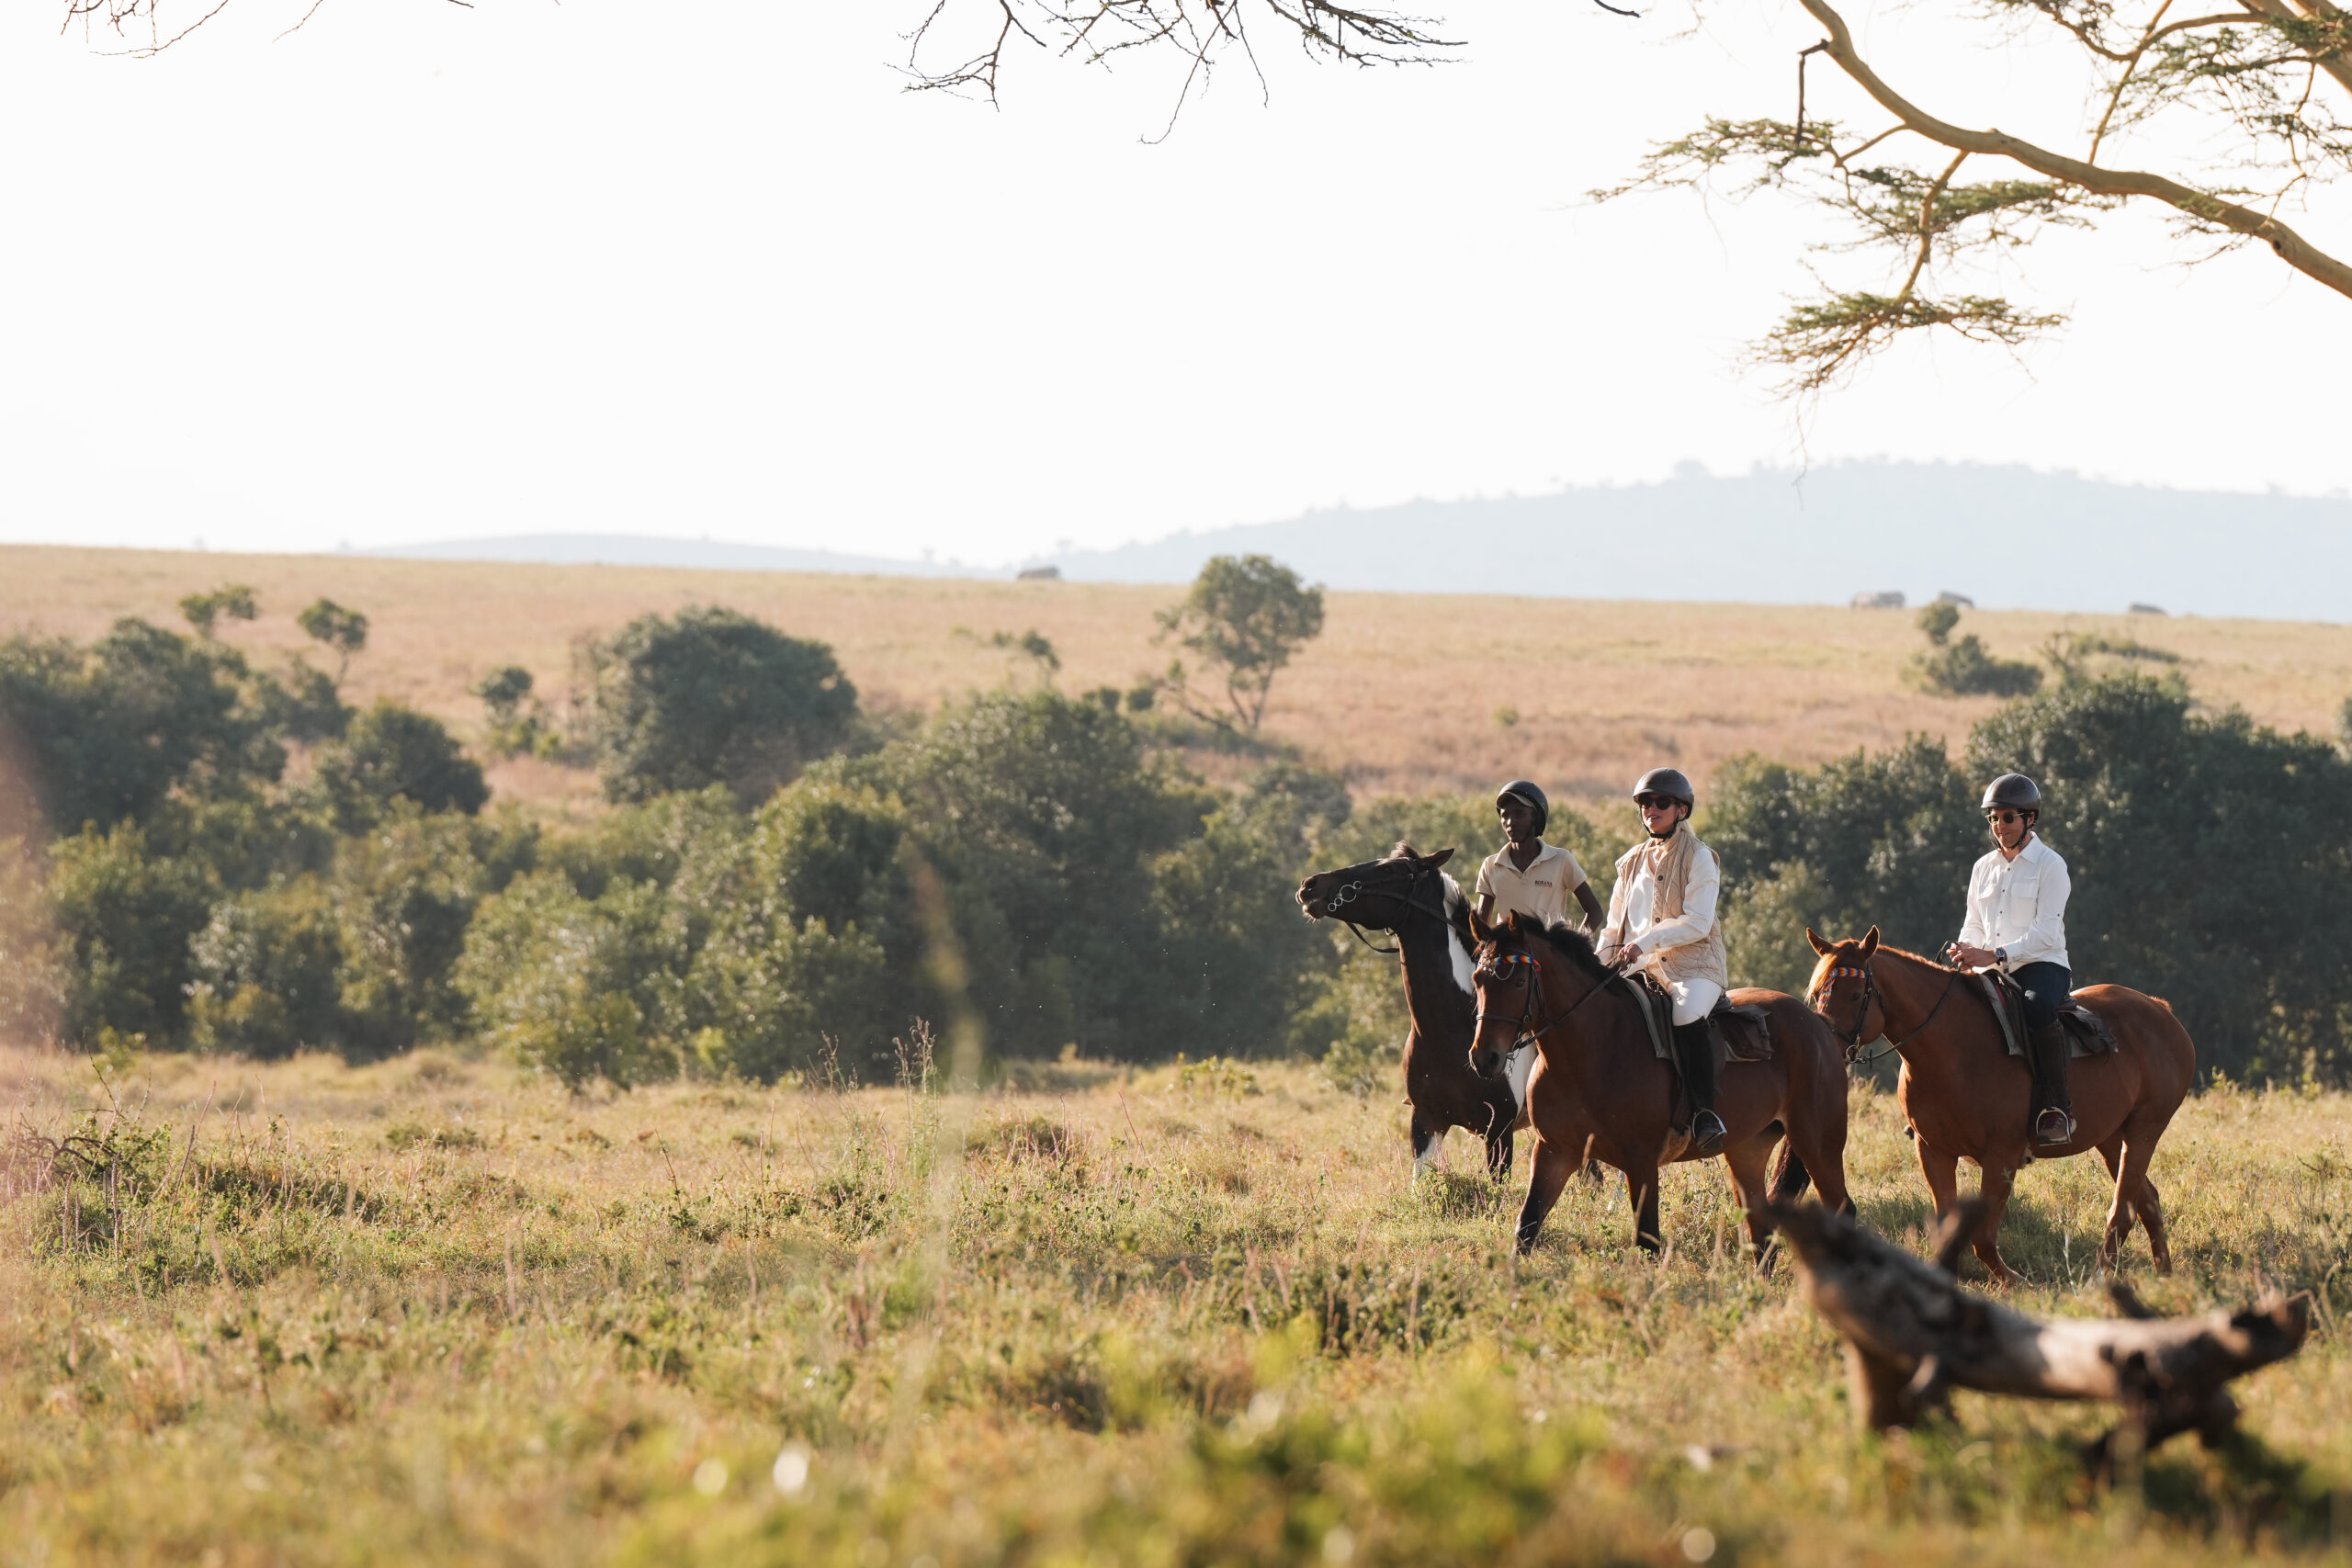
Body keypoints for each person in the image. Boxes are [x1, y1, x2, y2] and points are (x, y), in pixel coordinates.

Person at [1596, 767, 1728, 1155]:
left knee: (1684, 1015)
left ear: (1681, 810)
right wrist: (1593, 965)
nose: (1651, 809)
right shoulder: (1631, 863)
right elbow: (1612, 928)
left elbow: (1698, 923)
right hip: (1638, 968)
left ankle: (1705, 1114)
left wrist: (1646, 942)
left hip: (1694, 967)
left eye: (1661, 803)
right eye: (1644, 803)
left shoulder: (1700, 857)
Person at [1947, 773, 2075, 1145]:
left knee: (2036, 1008)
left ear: (2029, 818)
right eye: (1993, 818)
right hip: (1990, 966)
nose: (1999, 826)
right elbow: (1973, 921)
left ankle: (2057, 1108)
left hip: (2042, 966)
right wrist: (1966, 949)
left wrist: (1996, 954)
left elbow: (2047, 932)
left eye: (2008, 818)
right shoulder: (1982, 868)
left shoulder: (2051, 866)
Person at [1475, 779, 1605, 934]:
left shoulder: (1561, 860)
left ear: (1536, 817)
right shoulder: (1490, 865)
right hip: (1508, 956)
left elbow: (1595, 912)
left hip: (1547, 956)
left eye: (1519, 813)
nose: (1510, 822)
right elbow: (1482, 926)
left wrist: (1572, 948)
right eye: (1505, 815)